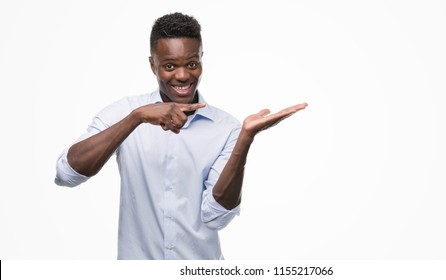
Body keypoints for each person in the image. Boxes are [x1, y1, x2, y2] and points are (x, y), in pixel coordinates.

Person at [55, 12, 307, 260]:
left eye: (191, 64)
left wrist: (245, 139)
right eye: (169, 66)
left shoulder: (226, 128)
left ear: (201, 61)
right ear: (152, 65)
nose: (183, 76)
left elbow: (216, 217)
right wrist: (136, 119)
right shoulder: (125, 112)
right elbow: (67, 174)